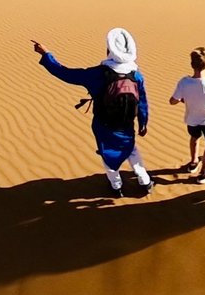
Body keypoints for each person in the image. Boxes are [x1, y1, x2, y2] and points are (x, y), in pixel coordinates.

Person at [32, 28, 152, 197]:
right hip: (125, 124)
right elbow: (142, 102)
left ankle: (116, 186)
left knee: (107, 153)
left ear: (109, 50)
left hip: (103, 125)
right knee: (131, 150)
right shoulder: (136, 75)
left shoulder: (97, 74)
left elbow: (65, 73)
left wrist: (46, 54)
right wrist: (143, 123)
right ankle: (145, 181)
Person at [168, 47, 205, 184]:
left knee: (194, 138)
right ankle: (204, 173)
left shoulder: (184, 82)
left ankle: (193, 163)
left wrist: (183, 99)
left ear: (192, 65)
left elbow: (172, 101)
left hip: (192, 121)